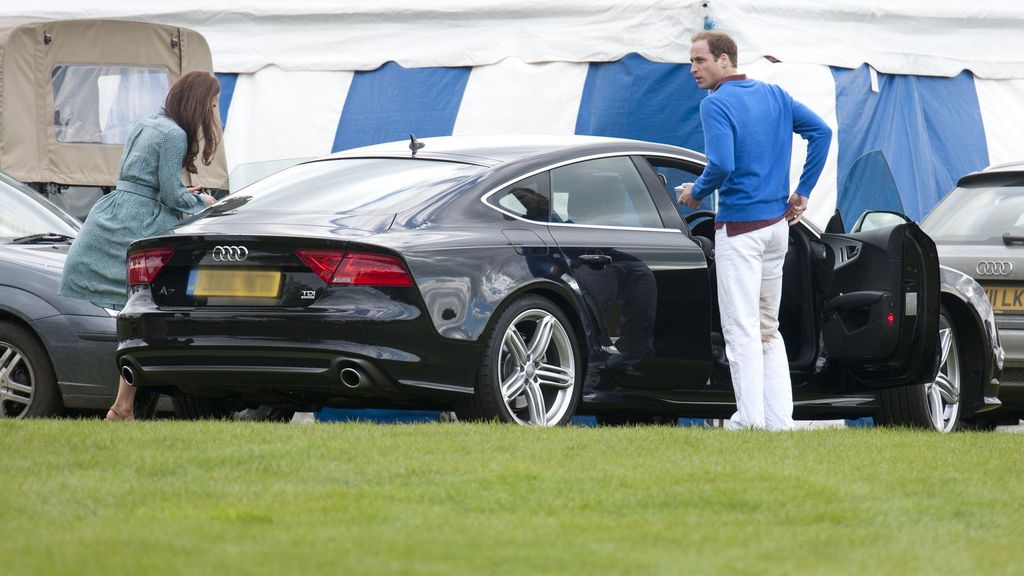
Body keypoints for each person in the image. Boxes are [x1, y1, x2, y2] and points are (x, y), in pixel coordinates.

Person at [676, 31, 831, 430]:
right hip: (777, 230)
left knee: (740, 328)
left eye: (700, 61)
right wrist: (803, 192)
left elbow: (723, 165)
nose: (693, 69)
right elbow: (822, 133)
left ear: (725, 60)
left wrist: (696, 191)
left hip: (741, 232)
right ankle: (779, 421)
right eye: (692, 61)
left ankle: (748, 419)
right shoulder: (775, 95)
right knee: (767, 328)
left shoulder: (715, 105)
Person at [60, 71, 221, 421]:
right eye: (211, 105)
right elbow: (170, 194)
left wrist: (179, 192)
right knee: (142, 317)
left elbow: (144, 179)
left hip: (114, 215)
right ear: (198, 104)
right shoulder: (176, 134)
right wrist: (204, 202)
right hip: (138, 225)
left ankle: (124, 407)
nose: (213, 112)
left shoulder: (148, 123)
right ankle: (123, 407)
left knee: (134, 319)